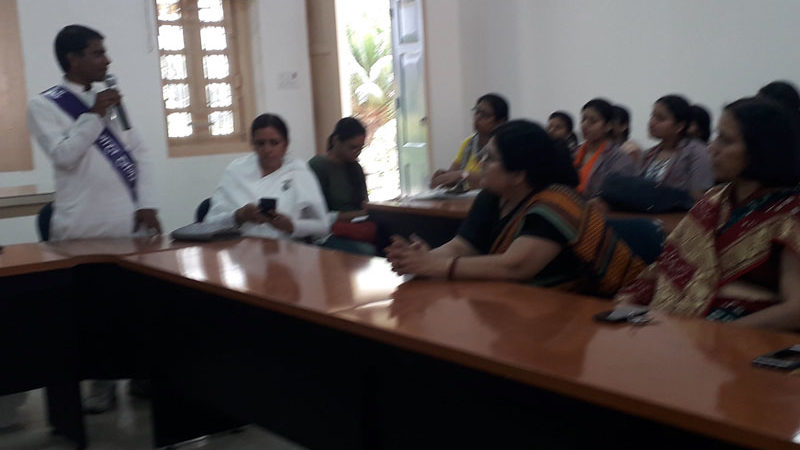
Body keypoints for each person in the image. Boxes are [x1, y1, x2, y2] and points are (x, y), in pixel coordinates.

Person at [26, 25, 161, 414]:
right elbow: (64, 155)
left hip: (127, 226)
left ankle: (139, 373)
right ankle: (100, 385)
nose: (107, 59)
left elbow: (139, 153)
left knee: (134, 308)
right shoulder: (44, 105)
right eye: (98, 52)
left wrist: (147, 203)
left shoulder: (110, 99)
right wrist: (95, 115)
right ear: (73, 59)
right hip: (82, 228)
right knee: (93, 313)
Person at [386, 120, 645, 297]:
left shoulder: (555, 204)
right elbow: (463, 246)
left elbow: (514, 267)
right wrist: (420, 259)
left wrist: (433, 266)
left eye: (490, 158)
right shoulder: (491, 196)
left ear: (519, 174)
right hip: (516, 303)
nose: (480, 162)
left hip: (576, 312)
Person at [616, 98, 800, 331]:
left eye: (726, 140)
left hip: (736, 338)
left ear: (761, 149)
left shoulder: (789, 214)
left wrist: (717, 335)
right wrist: (629, 302)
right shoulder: (714, 200)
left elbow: (796, 310)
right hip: (681, 327)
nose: (712, 148)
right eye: (716, 137)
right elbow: (668, 266)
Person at [205, 113, 329, 240]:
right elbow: (210, 223)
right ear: (253, 144)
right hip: (240, 246)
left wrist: (291, 226)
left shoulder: (299, 172)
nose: (267, 149)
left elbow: (323, 226)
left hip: (285, 248)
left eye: (274, 143)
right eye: (260, 143)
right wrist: (239, 215)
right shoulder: (236, 171)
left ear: (286, 144)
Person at [309, 117, 376, 255]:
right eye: (352, 147)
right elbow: (318, 216)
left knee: (394, 242)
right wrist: (360, 214)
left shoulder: (355, 168)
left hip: (356, 228)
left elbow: (363, 204)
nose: (357, 152)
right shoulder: (318, 166)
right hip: (327, 234)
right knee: (366, 251)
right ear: (336, 141)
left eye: (360, 148)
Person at [429, 93, 509, 190]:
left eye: (484, 115)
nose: (477, 117)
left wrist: (463, 174)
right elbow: (454, 176)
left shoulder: (504, 144)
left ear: (500, 121)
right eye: (476, 112)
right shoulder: (468, 143)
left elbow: (494, 179)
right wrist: (444, 177)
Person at [572, 98, 634, 197]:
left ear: (608, 126)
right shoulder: (574, 152)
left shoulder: (619, 159)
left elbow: (616, 195)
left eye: (593, 121)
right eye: (583, 119)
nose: (585, 125)